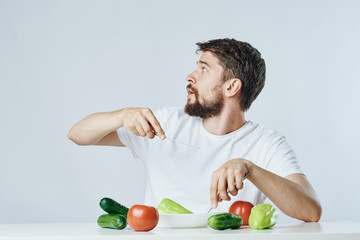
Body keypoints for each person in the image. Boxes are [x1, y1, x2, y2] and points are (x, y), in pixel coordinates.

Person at [68, 38, 321, 222]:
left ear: (231, 87)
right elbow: (78, 135)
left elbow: (311, 210)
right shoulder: (165, 124)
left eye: (203, 69)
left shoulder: (266, 143)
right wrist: (121, 116)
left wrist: (251, 169)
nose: (191, 76)